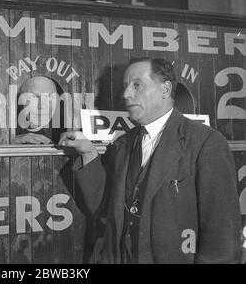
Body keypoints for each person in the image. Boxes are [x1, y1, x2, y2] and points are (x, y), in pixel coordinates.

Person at [59, 57, 242, 263]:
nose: (126, 94)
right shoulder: (123, 144)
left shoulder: (206, 143)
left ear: (165, 90)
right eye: (125, 86)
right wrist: (88, 153)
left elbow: (223, 236)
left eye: (137, 85)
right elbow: (102, 206)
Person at [14, 76, 65, 144]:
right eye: (34, 97)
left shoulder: (64, 127)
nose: (42, 105)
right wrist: (11, 140)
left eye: (49, 97)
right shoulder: (5, 127)